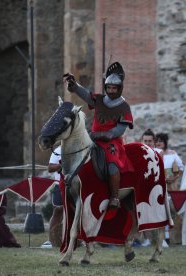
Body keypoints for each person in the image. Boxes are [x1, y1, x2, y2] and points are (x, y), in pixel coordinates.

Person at [63, 62, 133, 209]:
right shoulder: (100, 100)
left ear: (119, 88)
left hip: (112, 143)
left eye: (114, 88)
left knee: (112, 164)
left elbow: (120, 129)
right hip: (93, 138)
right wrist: (74, 86)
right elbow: (86, 95)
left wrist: (106, 134)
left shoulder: (124, 107)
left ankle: (114, 197)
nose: (111, 90)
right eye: (109, 87)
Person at [41, 146, 63, 249]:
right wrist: (62, 164)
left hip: (78, 185)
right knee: (57, 212)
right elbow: (50, 168)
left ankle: (80, 240)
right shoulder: (58, 150)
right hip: (60, 184)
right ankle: (52, 240)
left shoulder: (81, 147)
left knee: (80, 212)